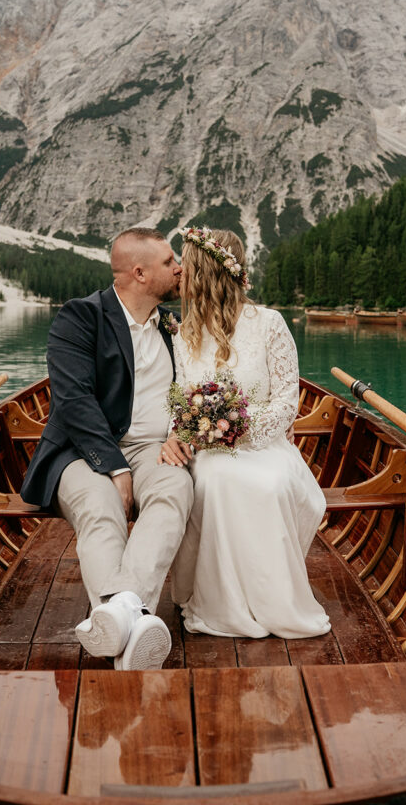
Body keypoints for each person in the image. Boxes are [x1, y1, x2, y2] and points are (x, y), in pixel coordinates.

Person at [20, 227, 194, 669]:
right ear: (139, 272)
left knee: (175, 491)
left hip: (155, 448)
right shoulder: (80, 318)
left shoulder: (173, 327)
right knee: (100, 507)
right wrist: (116, 469)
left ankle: (120, 617)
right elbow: (74, 401)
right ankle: (136, 625)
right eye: (170, 260)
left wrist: (179, 434)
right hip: (81, 451)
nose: (180, 268)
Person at [158, 226, 330, 639]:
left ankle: (273, 601)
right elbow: (179, 396)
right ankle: (221, 603)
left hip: (266, 445)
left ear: (207, 272)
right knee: (214, 479)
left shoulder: (269, 323)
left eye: (188, 266)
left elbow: (288, 401)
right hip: (208, 450)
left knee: (268, 484)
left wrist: (240, 428)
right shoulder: (185, 334)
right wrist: (177, 434)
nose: (180, 273)